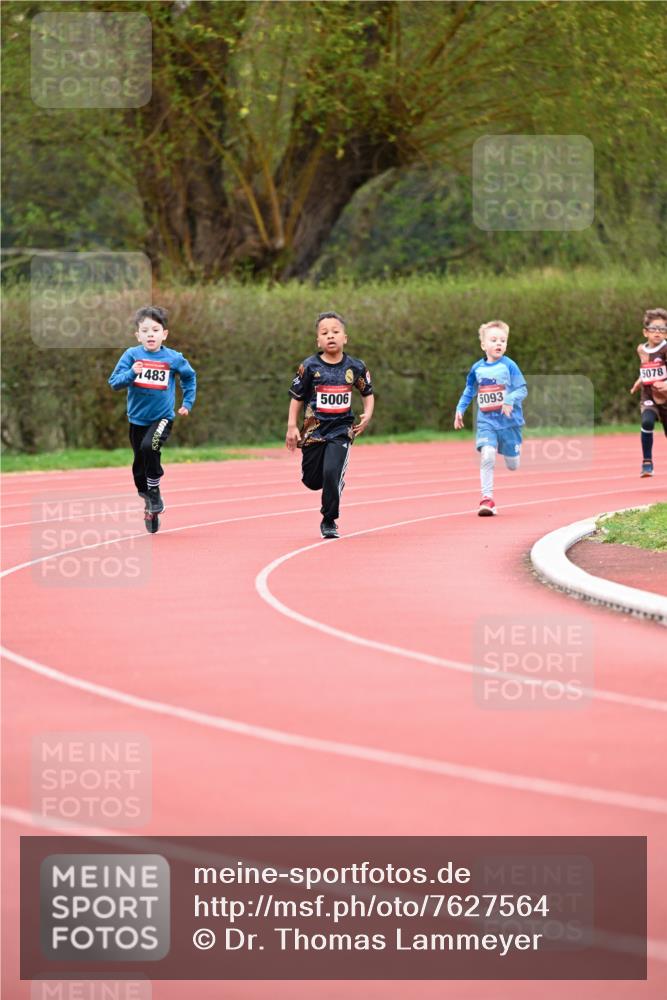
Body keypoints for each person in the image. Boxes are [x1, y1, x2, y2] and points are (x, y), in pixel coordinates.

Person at [286, 311, 374, 538]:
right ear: (318, 340)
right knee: (313, 481)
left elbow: (367, 392)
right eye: (325, 333)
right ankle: (333, 485)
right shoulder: (309, 366)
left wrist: (368, 414)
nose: (330, 336)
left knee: (332, 472)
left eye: (336, 332)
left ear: (345, 337)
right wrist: (292, 427)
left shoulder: (355, 367)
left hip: (340, 430)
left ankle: (329, 520)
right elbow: (296, 397)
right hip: (314, 431)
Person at [108, 305, 197, 517]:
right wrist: (131, 373)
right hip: (137, 419)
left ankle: (155, 491)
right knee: (139, 464)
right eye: (145, 331)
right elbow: (114, 383)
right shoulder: (131, 355)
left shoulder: (174, 358)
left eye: (155, 330)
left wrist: (187, 402)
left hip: (163, 417)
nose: (150, 335)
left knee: (150, 446)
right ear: (138, 335)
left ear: (164, 334)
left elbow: (189, 377)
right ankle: (147, 495)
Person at [454, 319, 527, 516]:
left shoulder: (510, 366)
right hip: (486, 421)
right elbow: (470, 389)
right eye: (493, 340)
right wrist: (460, 408)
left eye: (502, 341)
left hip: (509, 422)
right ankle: (487, 499)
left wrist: (510, 399)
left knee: (513, 465)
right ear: (483, 345)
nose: (498, 344)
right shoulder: (477, 368)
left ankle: (514, 450)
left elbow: (522, 389)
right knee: (487, 455)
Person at [629, 307, 667, 477]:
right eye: (654, 329)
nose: (658, 333)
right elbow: (646, 369)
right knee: (647, 422)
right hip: (648, 395)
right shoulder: (641, 350)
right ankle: (647, 462)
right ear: (645, 332)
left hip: (666, 398)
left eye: (662, 330)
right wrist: (639, 381)